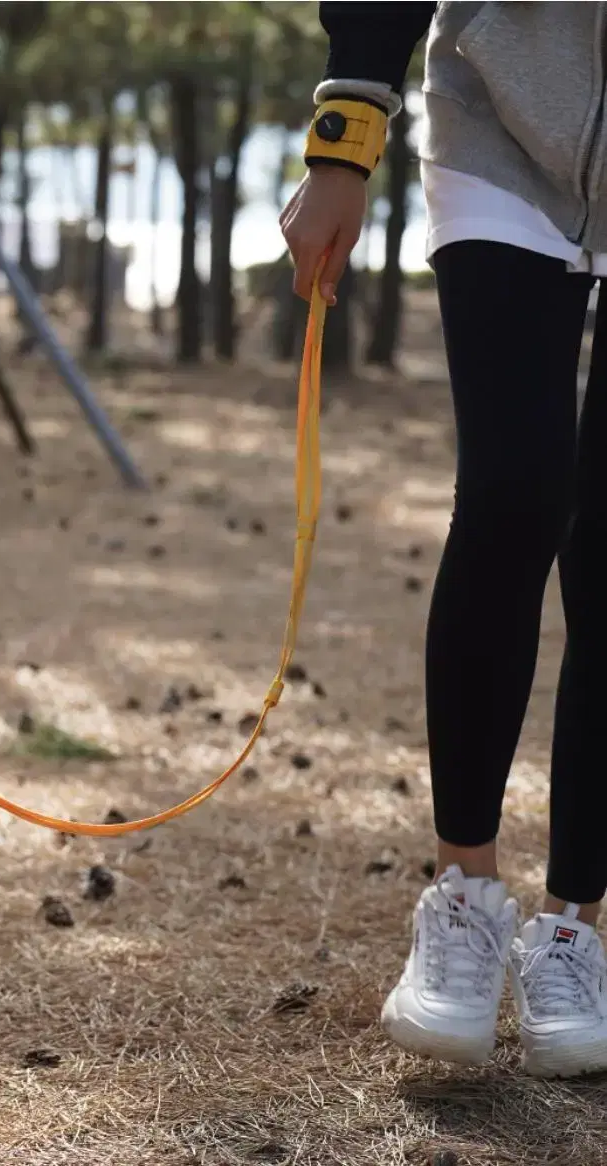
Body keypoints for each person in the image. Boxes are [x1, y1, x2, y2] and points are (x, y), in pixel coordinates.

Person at [282, 3, 607, 1078]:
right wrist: (347, 128)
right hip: (496, 115)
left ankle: (572, 925)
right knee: (517, 492)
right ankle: (464, 899)